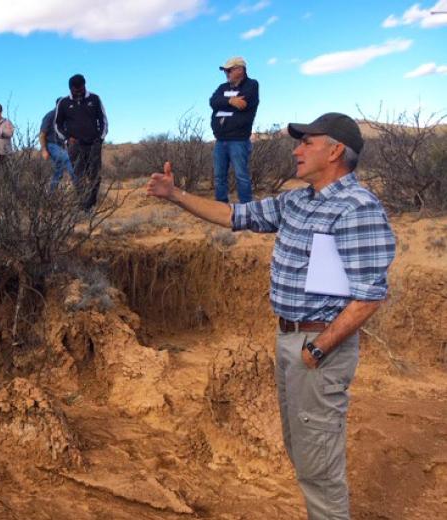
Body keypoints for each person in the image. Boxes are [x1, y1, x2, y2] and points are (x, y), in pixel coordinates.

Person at [147, 113, 396, 520]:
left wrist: (318, 348)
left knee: (319, 465)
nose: (296, 150)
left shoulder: (357, 208)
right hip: (291, 341)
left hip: (317, 347)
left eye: (307, 142)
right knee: (302, 449)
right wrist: (177, 196)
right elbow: (234, 216)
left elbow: (369, 296)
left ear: (334, 151)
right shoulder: (297, 200)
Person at [209, 56, 259, 204]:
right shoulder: (222, 88)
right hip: (220, 140)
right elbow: (213, 102)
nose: (226, 73)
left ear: (240, 70)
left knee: (241, 175)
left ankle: (246, 207)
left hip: (239, 140)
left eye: (229, 70)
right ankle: (221, 205)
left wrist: (223, 105)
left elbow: (244, 104)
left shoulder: (251, 85)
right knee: (219, 176)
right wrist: (230, 101)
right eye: (225, 71)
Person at [54, 74, 108, 211]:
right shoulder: (64, 103)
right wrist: (67, 138)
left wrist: (100, 139)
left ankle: (91, 203)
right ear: (70, 89)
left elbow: (103, 120)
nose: (78, 92)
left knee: (95, 175)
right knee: (78, 175)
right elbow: (57, 124)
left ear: (85, 86)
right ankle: (83, 205)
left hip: (93, 144)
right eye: (75, 90)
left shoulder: (95, 99)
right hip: (75, 146)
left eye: (81, 88)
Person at [40, 98, 77, 191]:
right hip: (51, 145)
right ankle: (80, 189)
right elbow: (42, 134)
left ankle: (51, 194)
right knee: (68, 160)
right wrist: (44, 150)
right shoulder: (50, 116)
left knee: (58, 171)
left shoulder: (63, 118)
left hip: (61, 146)